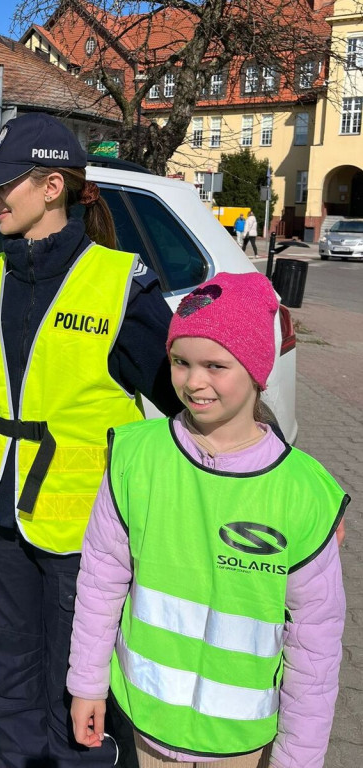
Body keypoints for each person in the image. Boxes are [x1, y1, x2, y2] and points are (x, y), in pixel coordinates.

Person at [0, 112, 182, 767]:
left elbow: (188, 400)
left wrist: (275, 473)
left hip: (86, 536)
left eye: (6, 186)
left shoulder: (116, 282)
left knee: (75, 700)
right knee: (11, 693)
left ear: (52, 187)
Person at [68, 271, 348, 768]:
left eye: (215, 365)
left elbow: (316, 640)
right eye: (180, 362)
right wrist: (87, 684)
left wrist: (298, 757)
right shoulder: (137, 456)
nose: (194, 382)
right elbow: (101, 578)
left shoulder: (303, 492)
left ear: (257, 370)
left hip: (241, 740)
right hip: (148, 721)